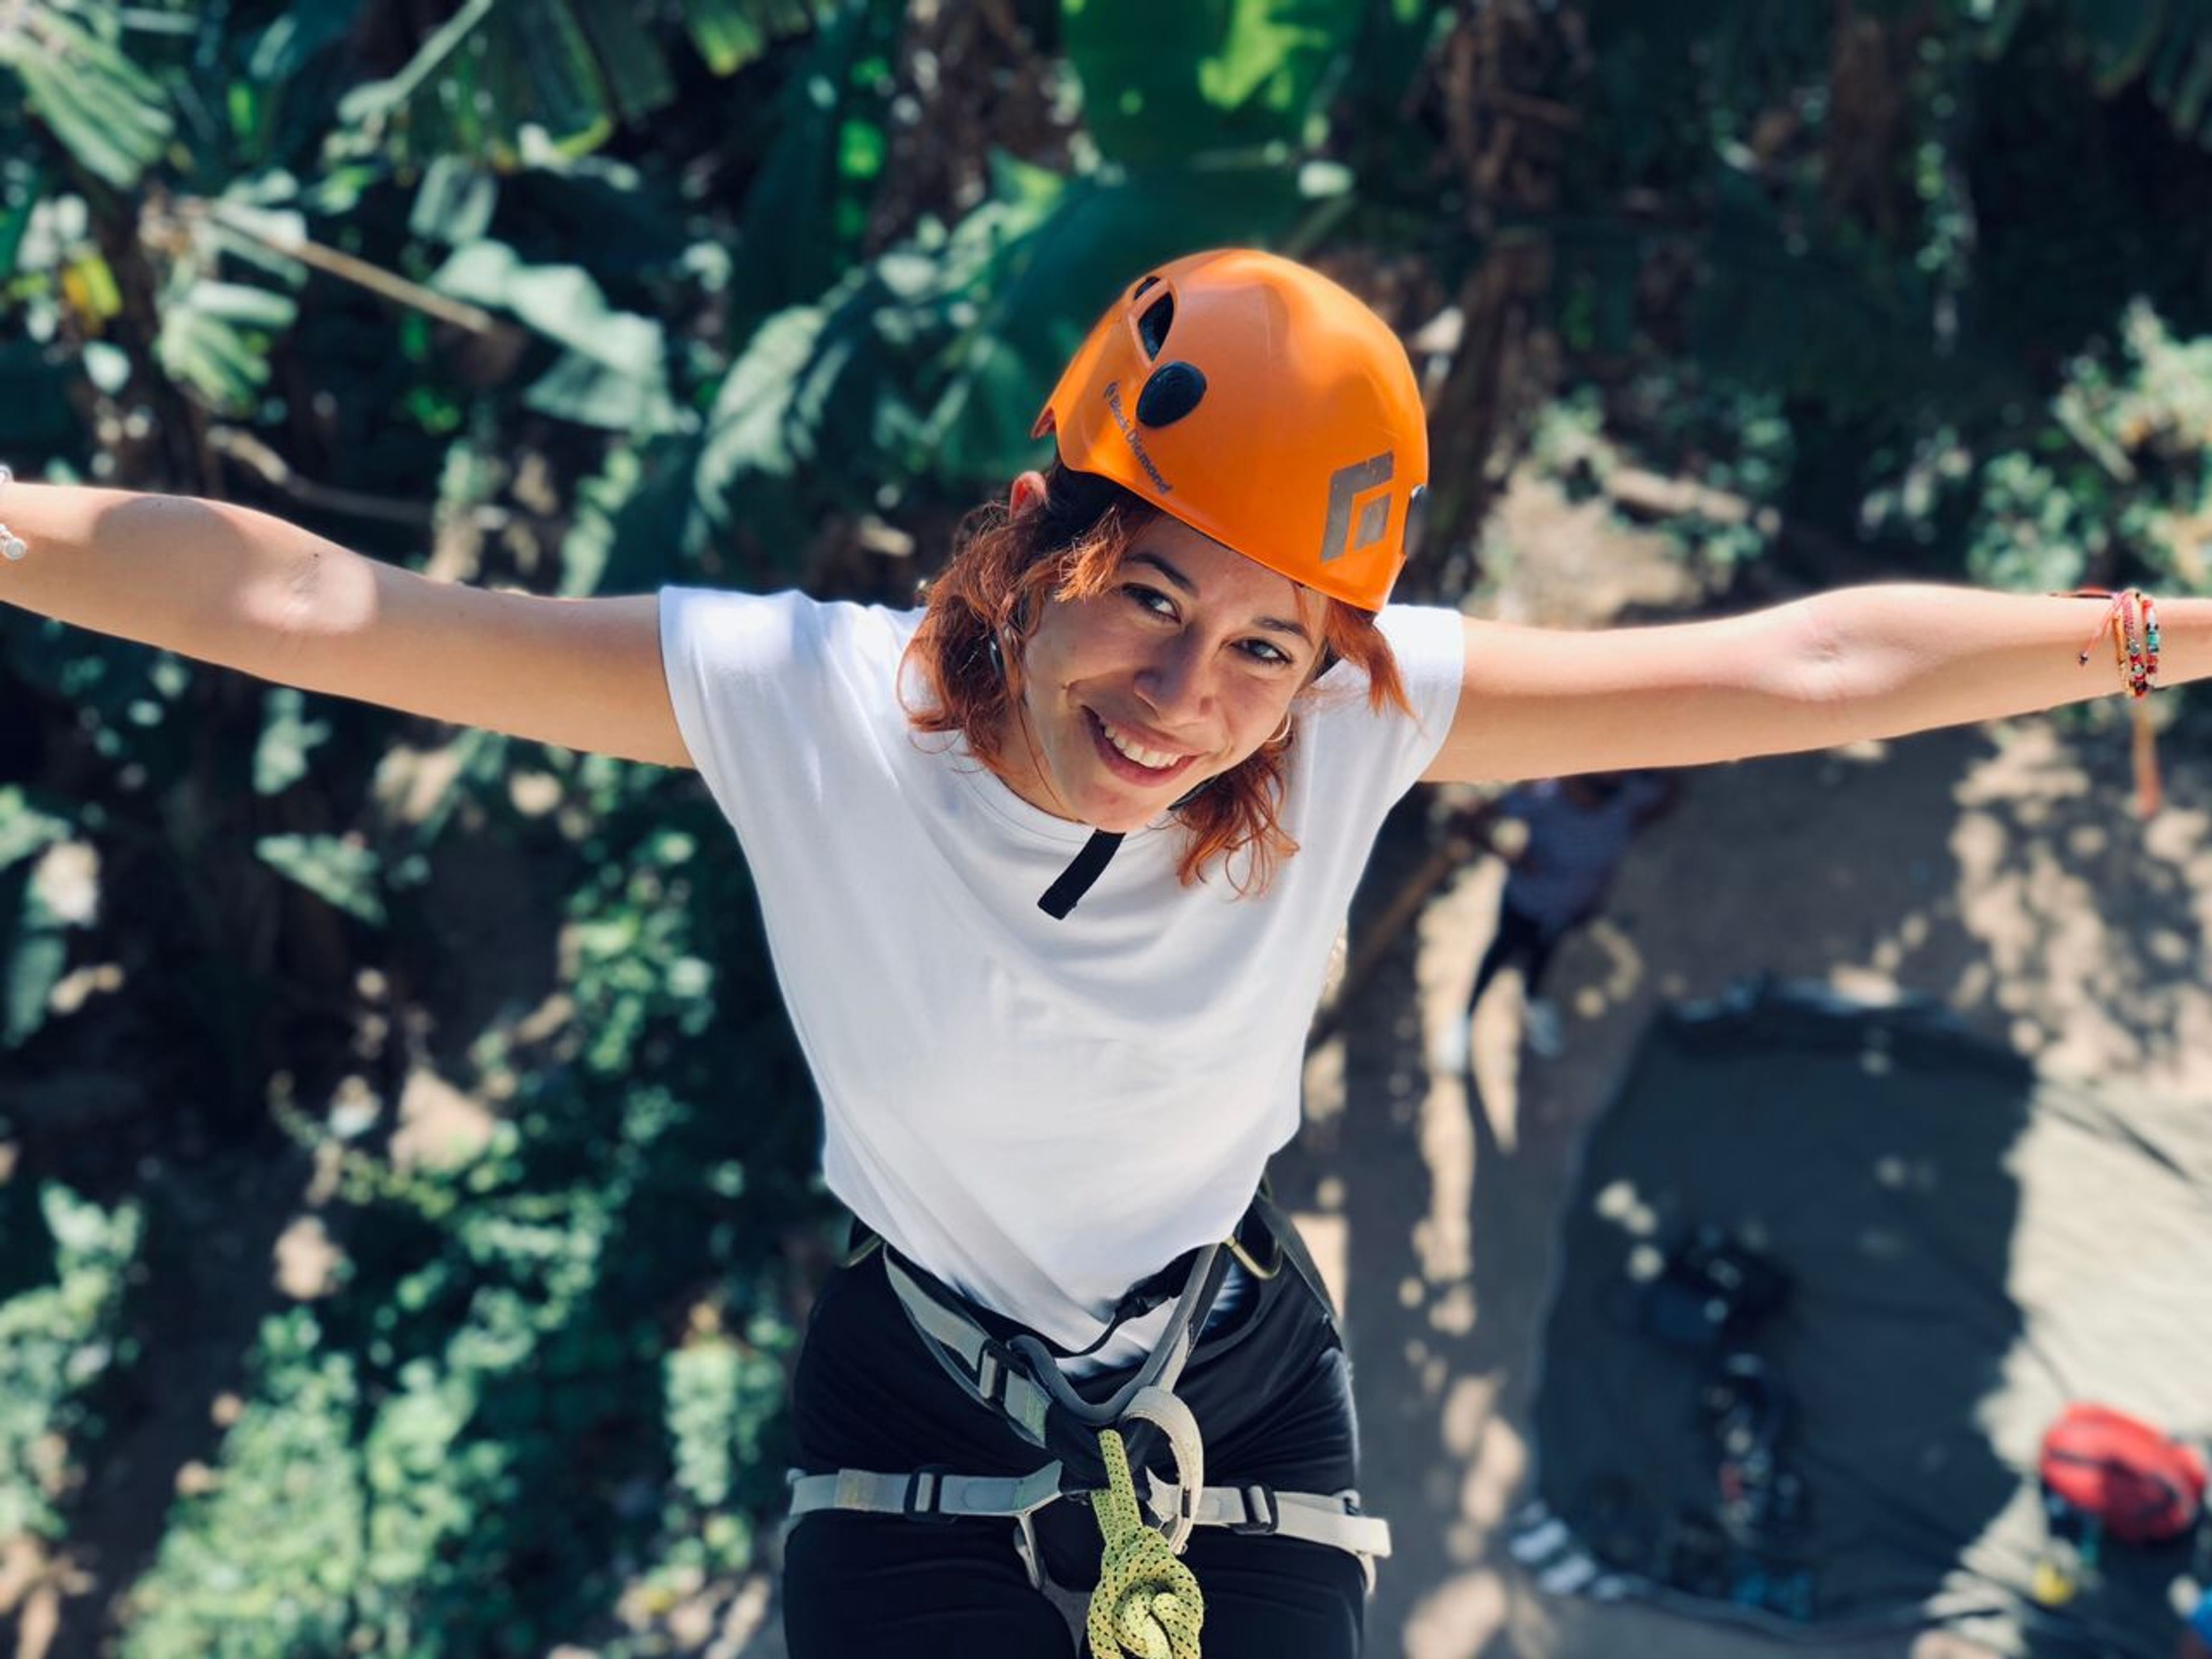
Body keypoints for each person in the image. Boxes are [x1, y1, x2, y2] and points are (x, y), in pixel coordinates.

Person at [1, 248, 2203, 1658]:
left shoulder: (1352, 725)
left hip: (1228, 1360)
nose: (1194, 696)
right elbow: (314, 606)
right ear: (1042, 537)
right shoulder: (806, 703)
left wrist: (2132, 633)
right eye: (1153, 596)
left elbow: (1803, 664)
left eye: (1265, 639)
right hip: (913, 1364)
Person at [1448, 768, 1677, 1063]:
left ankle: (1532, 1002)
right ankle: (1465, 1018)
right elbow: (1466, 821)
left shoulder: (1626, 797)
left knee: (1544, 955)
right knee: (1500, 952)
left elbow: (1665, 800)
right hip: (1525, 903)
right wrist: (1506, 855)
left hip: (1571, 908)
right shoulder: (1544, 798)